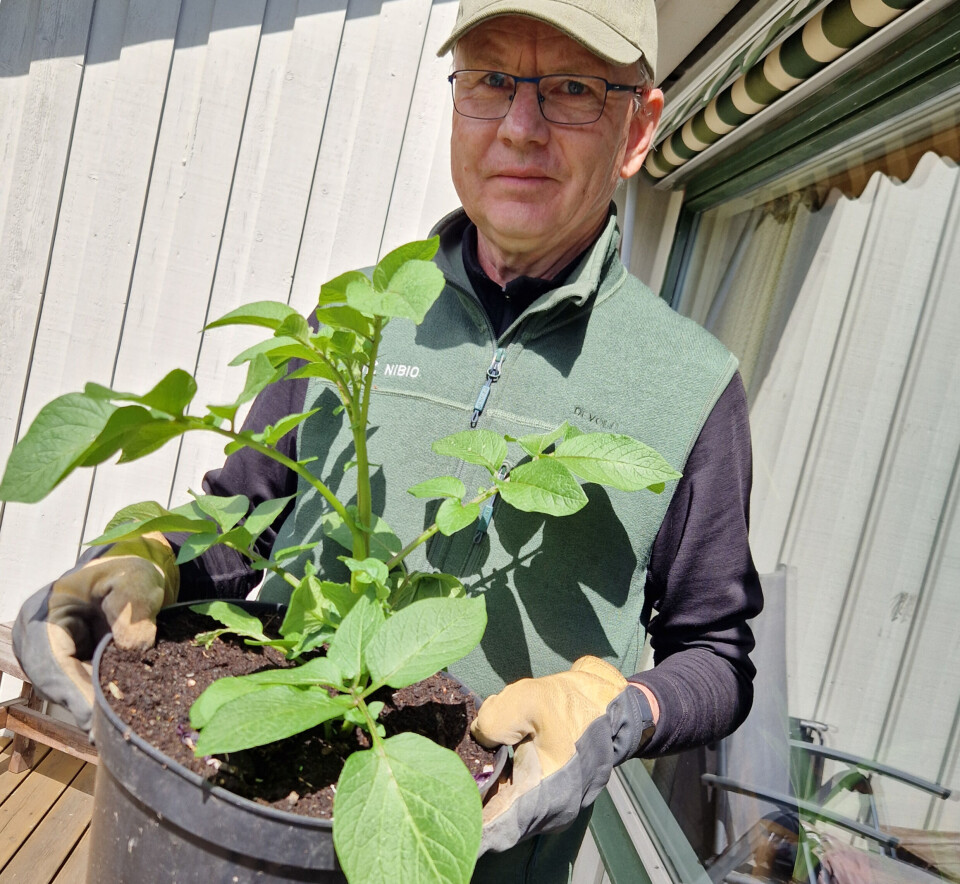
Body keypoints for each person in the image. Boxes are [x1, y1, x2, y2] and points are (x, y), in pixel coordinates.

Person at [14, 0, 763, 880]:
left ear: (637, 129)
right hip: (257, 815)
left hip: (484, 856)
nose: (520, 128)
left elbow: (716, 655)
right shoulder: (355, 319)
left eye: (571, 90)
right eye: (491, 80)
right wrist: (149, 558)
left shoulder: (690, 385)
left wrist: (618, 708)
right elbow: (244, 517)